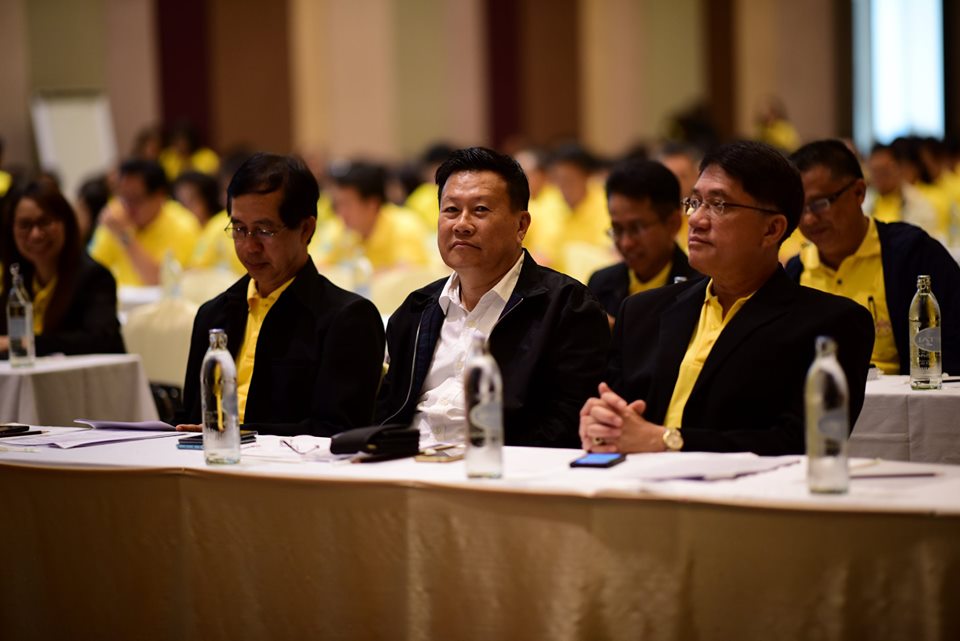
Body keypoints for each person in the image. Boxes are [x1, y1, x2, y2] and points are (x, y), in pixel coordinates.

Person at [580, 141, 874, 456]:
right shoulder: (642, 311)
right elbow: (618, 415)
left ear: (772, 229)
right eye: (695, 202)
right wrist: (601, 424)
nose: (696, 219)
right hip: (633, 481)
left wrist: (668, 441)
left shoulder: (832, 324)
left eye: (719, 205)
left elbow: (805, 442)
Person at [375, 147, 610, 448]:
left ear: (521, 225)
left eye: (480, 210)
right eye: (451, 210)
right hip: (404, 462)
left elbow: (567, 424)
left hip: (501, 467)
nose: (462, 224)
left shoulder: (567, 307)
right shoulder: (416, 309)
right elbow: (387, 411)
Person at [177, 153, 384, 436]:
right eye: (239, 229)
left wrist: (234, 433)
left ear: (306, 229)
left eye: (264, 230)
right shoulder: (213, 314)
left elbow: (336, 430)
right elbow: (190, 418)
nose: (249, 246)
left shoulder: (347, 319)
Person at [786, 139, 960, 375]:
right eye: (799, 208)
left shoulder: (913, 255)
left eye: (819, 204)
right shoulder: (796, 273)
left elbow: (953, 345)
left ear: (859, 192)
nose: (808, 219)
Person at [0, 182, 124, 356]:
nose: (35, 234)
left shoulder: (94, 277)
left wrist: (23, 343)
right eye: (25, 225)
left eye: (44, 222)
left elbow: (99, 340)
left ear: (66, 223)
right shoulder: (15, 278)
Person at [587, 159, 701, 323]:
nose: (626, 243)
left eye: (637, 228)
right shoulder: (601, 283)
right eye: (617, 229)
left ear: (673, 224)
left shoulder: (699, 288)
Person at [89, 159, 201, 286]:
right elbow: (92, 271)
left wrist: (125, 237)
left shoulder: (183, 224)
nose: (127, 207)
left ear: (159, 196)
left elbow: (162, 281)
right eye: (122, 197)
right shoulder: (116, 217)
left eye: (135, 199)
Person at [321, 161, 430, 270]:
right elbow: (320, 267)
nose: (340, 212)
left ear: (372, 204)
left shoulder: (404, 225)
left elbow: (409, 272)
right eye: (337, 204)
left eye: (347, 204)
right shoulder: (337, 228)